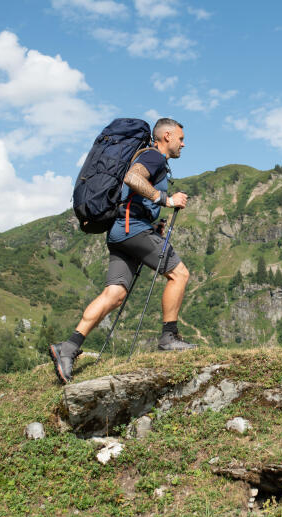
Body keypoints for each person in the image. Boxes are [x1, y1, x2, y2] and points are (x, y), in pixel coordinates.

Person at [49, 118, 196, 384]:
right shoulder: (154, 157)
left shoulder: (148, 156)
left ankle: (68, 347)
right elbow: (133, 177)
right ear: (166, 135)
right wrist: (166, 200)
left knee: (114, 294)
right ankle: (169, 337)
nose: (183, 145)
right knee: (180, 274)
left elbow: (133, 193)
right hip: (132, 230)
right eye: (180, 139)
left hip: (120, 232)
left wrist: (154, 220)